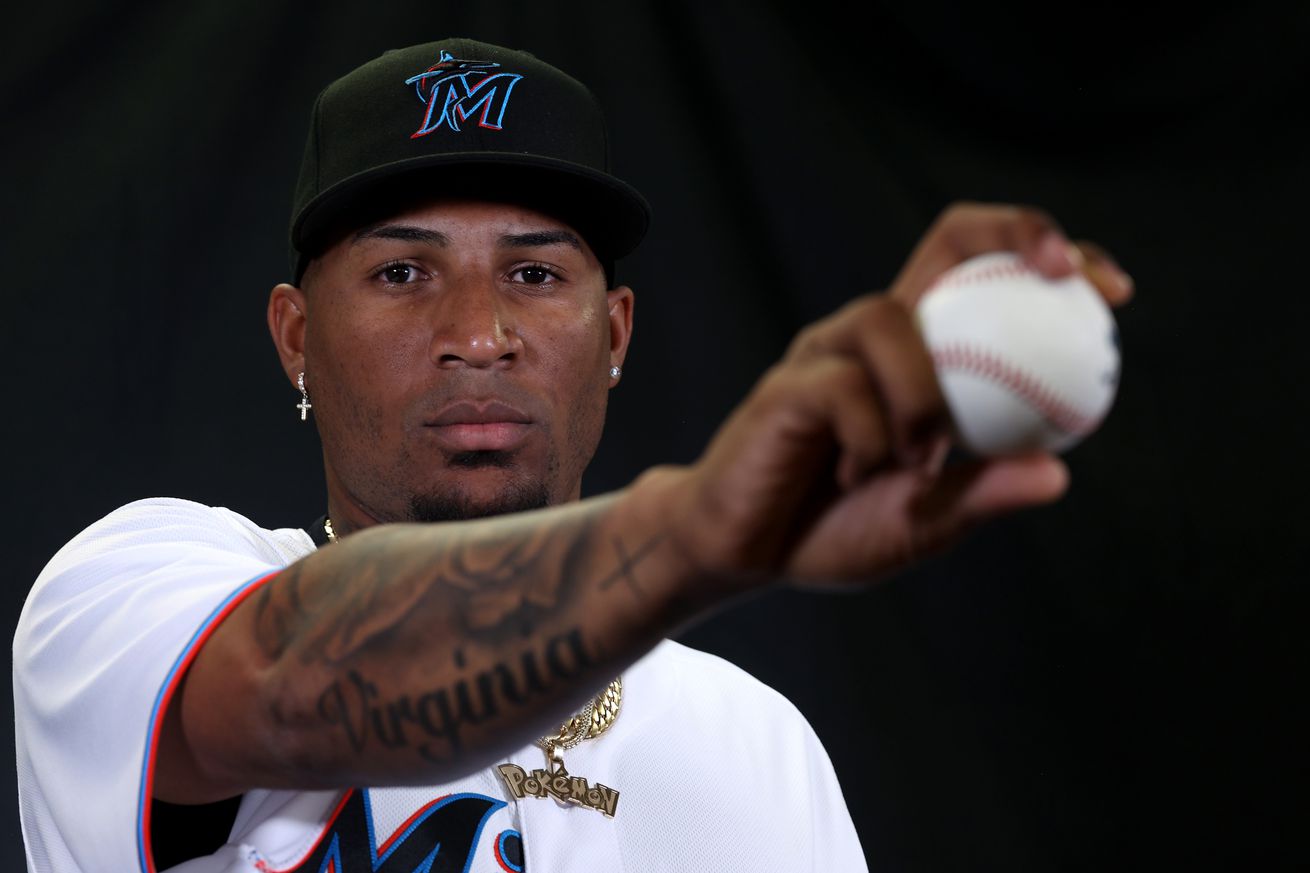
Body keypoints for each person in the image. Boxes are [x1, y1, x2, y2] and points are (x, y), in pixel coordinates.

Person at [12, 37, 1132, 873]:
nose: (479, 331)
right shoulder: (129, 592)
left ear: (616, 337)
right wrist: (699, 526)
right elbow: (289, 682)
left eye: (536, 273)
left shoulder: (755, 747)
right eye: (403, 273)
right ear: (296, 338)